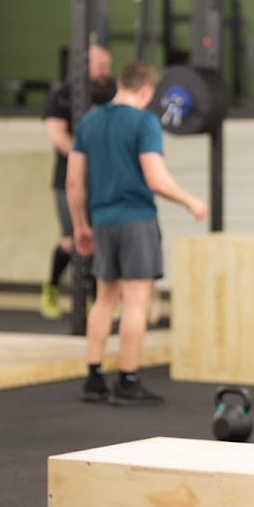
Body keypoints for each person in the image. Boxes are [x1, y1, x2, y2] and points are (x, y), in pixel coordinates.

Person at [66, 60, 208, 404]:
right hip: (136, 220)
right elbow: (156, 179)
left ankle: (95, 377)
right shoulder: (145, 122)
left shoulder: (90, 121)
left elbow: (73, 181)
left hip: (102, 220)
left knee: (104, 300)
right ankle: (128, 381)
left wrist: (80, 225)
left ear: (120, 83)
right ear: (146, 91)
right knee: (136, 302)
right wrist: (190, 201)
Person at [40, 43, 115, 319]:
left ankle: (98, 300)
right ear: (84, 65)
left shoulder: (112, 92)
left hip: (104, 180)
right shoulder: (62, 95)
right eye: (99, 66)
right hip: (67, 180)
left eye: (107, 67)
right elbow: (58, 136)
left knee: (99, 238)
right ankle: (52, 286)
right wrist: (85, 157)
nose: (104, 72)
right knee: (72, 241)